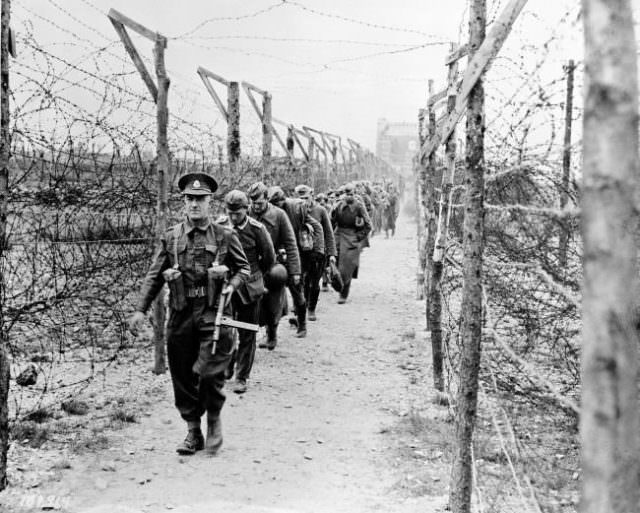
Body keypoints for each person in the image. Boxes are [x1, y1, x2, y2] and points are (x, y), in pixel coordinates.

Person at [128, 172, 250, 456]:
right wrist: (140, 310)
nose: (195, 205)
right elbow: (154, 276)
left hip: (213, 311)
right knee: (182, 373)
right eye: (190, 199)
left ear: (210, 202)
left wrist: (231, 285)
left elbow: (244, 269)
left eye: (200, 199)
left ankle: (215, 419)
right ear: (183, 202)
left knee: (208, 371)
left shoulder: (225, 235)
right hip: (181, 313)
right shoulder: (171, 237)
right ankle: (193, 431)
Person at [222, 190, 276, 394]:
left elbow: (269, 258)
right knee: (225, 328)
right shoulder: (220, 226)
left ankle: (242, 376)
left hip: (250, 287)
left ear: (246, 210)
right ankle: (227, 364)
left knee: (246, 331)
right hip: (227, 287)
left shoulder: (257, 229)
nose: (234, 217)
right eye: (230, 213)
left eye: (237, 213)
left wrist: (255, 277)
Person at [247, 182, 300, 349]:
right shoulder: (245, 213)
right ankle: (248, 339)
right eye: (253, 203)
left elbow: (291, 243)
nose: (256, 207)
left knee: (273, 301)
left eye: (260, 203)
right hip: (251, 264)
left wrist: (295, 271)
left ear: (267, 200)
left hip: (272, 264)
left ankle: (272, 334)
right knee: (250, 302)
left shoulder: (279, 215)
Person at [267, 186, 323, 337]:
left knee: (297, 290)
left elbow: (317, 226)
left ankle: (302, 325)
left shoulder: (296, 210)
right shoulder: (267, 212)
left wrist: (318, 250)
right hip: (276, 255)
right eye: (273, 204)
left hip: (294, 254)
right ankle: (270, 332)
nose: (276, 207)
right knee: (271, 294)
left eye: (278, 204)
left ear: (283, 201)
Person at [295, 184, 336, 321]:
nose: (303, 201)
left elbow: (329, 233)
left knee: (314, 281)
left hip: (318, 252)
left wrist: (331, 254)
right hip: (301, 251)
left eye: (306, 198)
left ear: (312, 195)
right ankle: (304, 305)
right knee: (302, 281)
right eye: (300, 198)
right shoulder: (295, 211)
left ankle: (311, 308)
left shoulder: (320, 210)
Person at [331, 182, 372, 304]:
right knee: (334, 265)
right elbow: (331, 222)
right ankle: (337, 286)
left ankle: (343, 294)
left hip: (351, 239)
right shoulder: (338, 205)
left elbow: (368, 225)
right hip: (338, 236)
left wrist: (358, 237)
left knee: (347, 268)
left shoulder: (359, 206)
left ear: (354, 194)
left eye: (351, 193)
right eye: (347, 193)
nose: (349, 196)